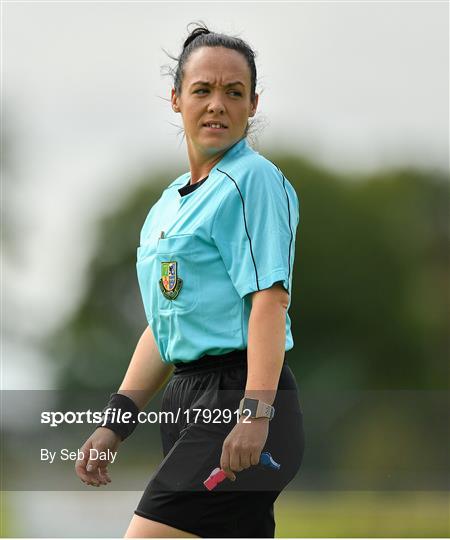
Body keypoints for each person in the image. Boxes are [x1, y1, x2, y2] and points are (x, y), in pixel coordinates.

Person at [75, 23, 305, 538]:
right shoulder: (165, 206)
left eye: (233, 92)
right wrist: (116, 422)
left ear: (253, 103)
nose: (217, 104)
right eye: (202, 90)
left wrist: (256, 411)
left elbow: (270, 302)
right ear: (176, 99)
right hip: (185, 400)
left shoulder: (253, 181)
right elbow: (164, 328)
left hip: (238, 397)